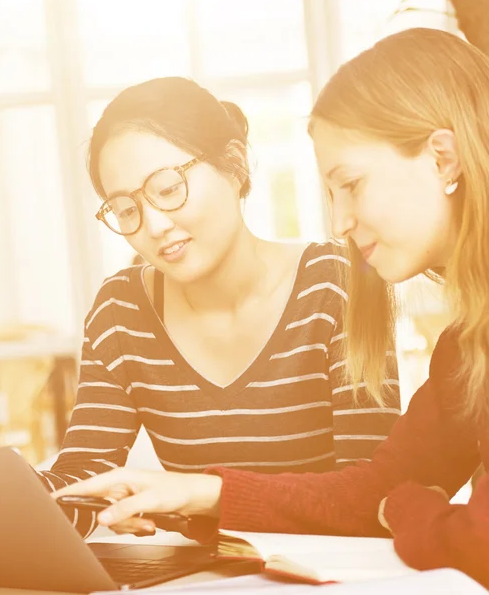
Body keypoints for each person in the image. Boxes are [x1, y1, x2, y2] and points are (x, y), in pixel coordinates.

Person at [51, 29, 489, 589]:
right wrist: (197, 490)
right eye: (124, 208)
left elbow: (467, 534)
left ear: (442, 157)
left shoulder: (339, 284)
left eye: (351, 184)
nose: (339, 223)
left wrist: (405, 508)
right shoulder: (466, 345)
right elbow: (379, 488)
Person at [0, 77, 399, 537]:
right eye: (127, 209)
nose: (153, 226)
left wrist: (201, 499)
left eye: (168, 189)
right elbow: (80, 489)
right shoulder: (122, 310)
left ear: (235, 164)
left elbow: (370, 496)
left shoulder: (338, 285)